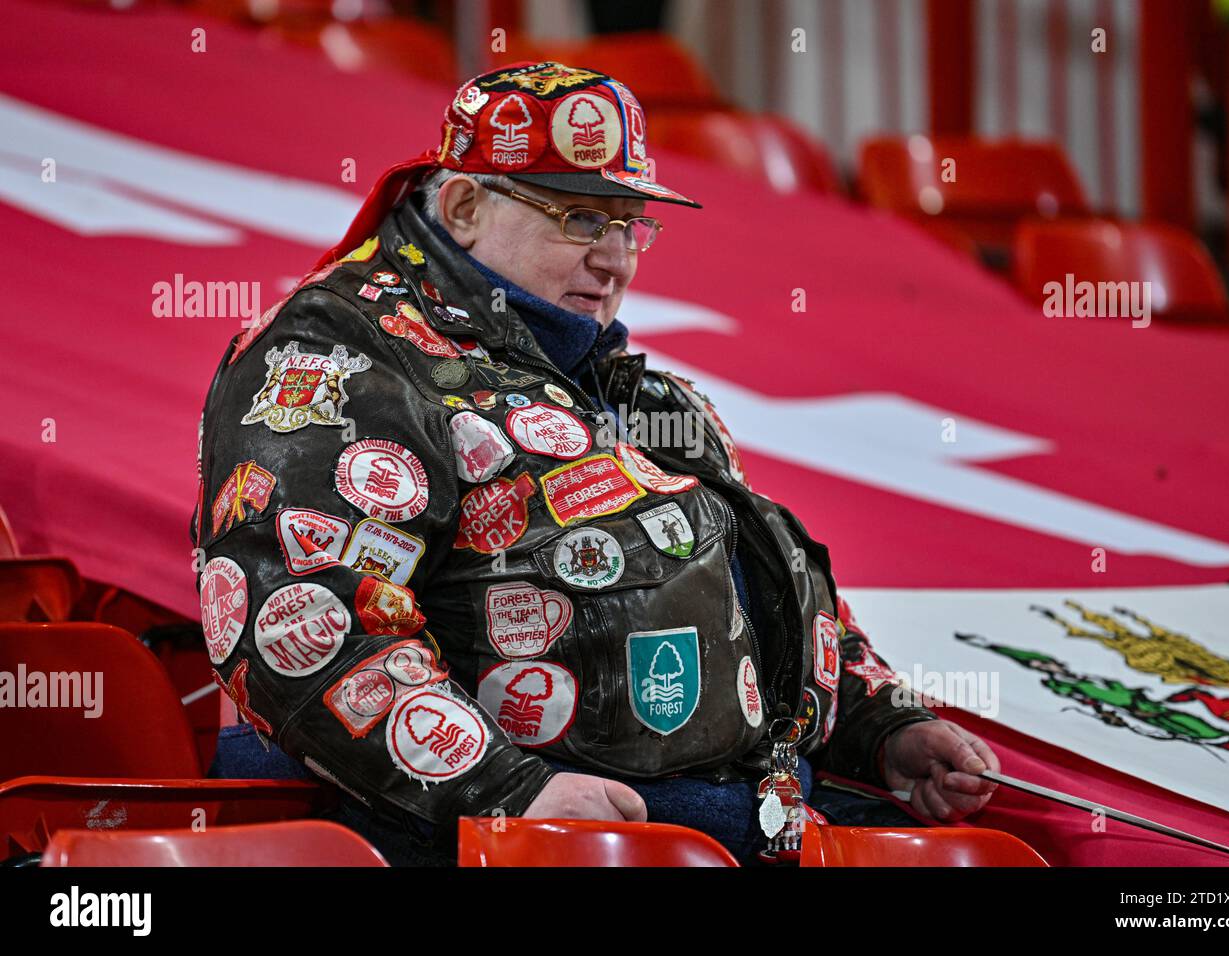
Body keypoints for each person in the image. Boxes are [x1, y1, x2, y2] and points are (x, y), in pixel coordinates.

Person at [196, 60, 999, 865]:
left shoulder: (632, 391)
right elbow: (301, 619)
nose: (616, 259)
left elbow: (753, 609)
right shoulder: (337, 357)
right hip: (503, 842)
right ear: (465, 205)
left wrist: (881, 726)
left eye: (631, 225)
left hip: (736, 825)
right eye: (581, 219)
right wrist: (508, 795)